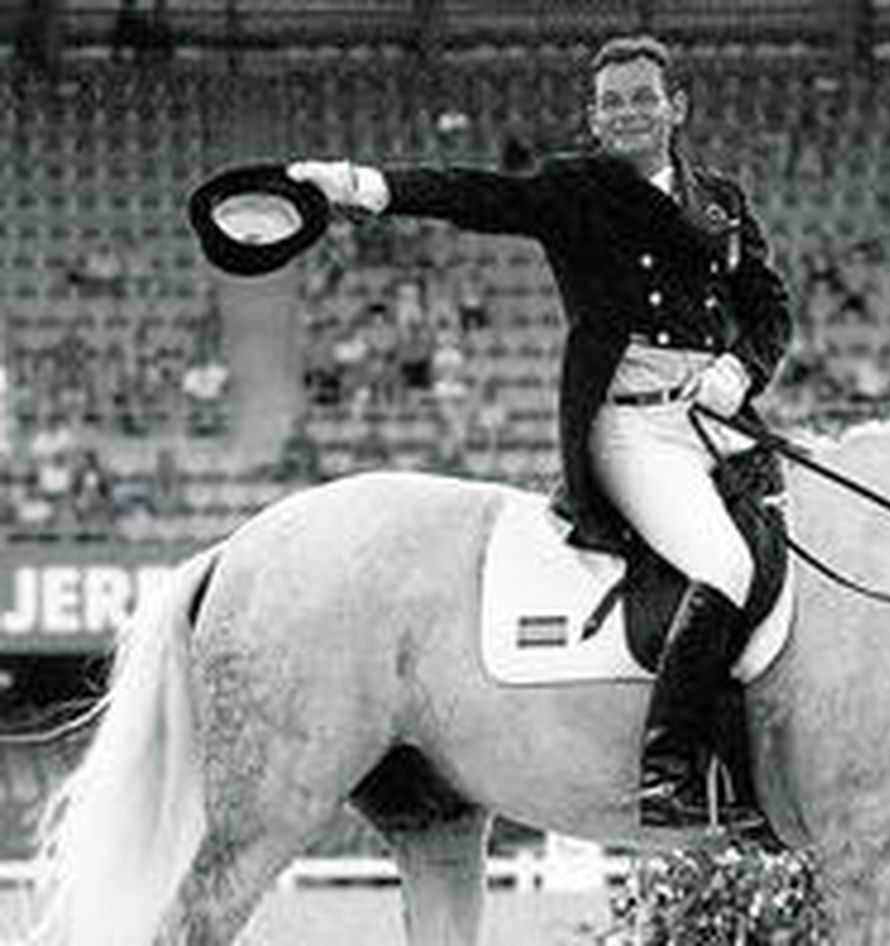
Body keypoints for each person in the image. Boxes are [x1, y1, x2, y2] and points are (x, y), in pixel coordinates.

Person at [288, 35, 792, 828]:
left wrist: (742, 369)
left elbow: (768, 307)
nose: (628, 112)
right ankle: (666, 771)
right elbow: (473, 195)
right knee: (723, 567)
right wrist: (358, 186)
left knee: (805, 545)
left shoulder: (721, 200)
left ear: (676, 108)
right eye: (612, 102)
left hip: (713, 418)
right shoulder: (576, 190)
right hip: (633, 433)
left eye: (641, 97)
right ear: (596, 119)